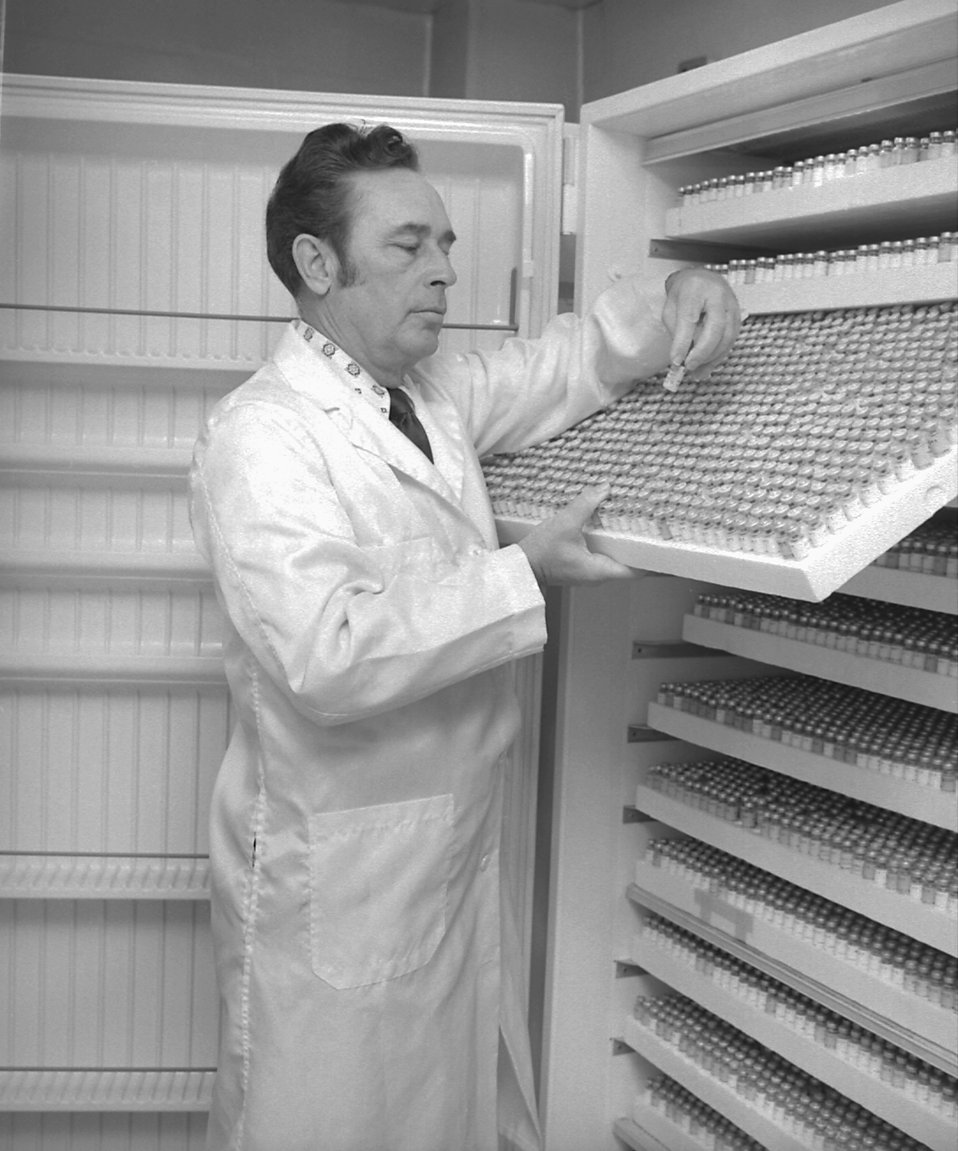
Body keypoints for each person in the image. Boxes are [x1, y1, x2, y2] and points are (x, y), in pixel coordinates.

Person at [189, 121, 740, 1151]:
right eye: (409, 245)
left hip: (442, 860)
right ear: (318, 263)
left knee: (447, 1115)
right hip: (337, 878)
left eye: (444, 243)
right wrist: (521, 574)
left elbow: (568, 362)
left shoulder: (430, 399)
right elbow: (325, 653)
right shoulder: (262, 435)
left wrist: (677, 299)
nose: (444, 270)